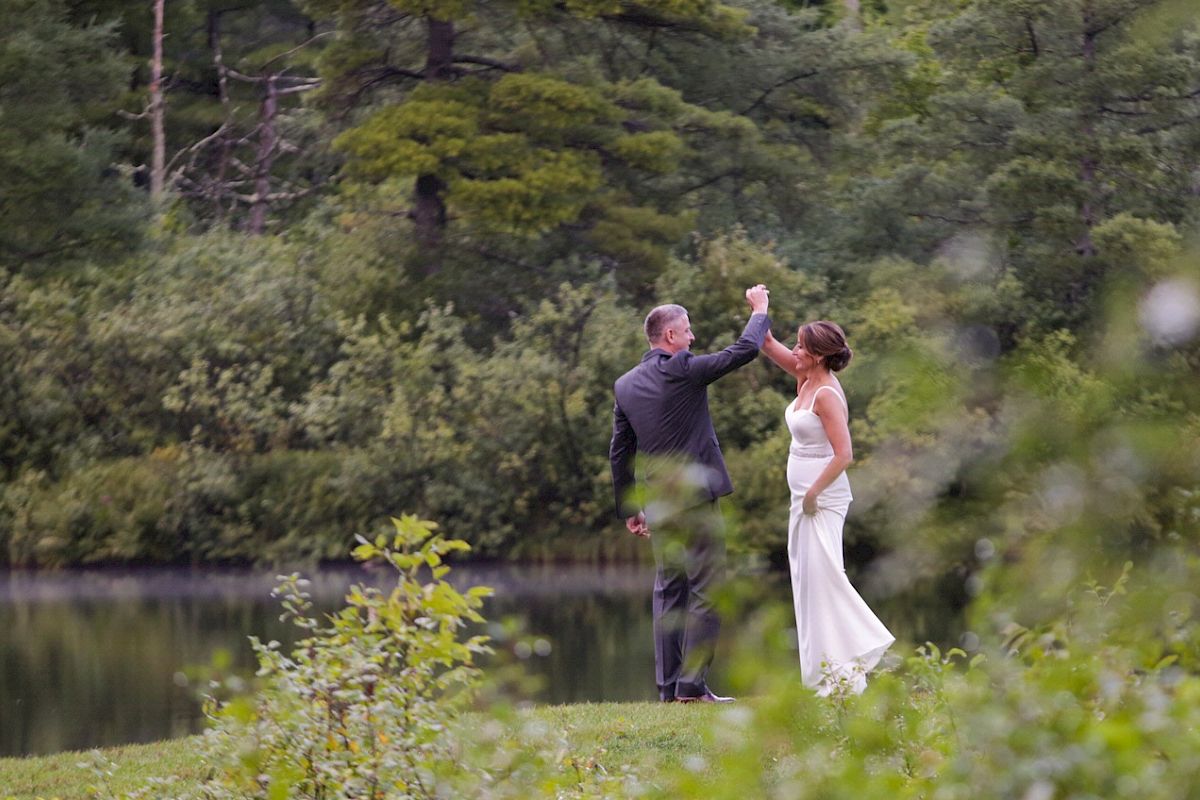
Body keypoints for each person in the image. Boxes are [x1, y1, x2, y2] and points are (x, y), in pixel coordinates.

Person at [609, 285, 772, 703]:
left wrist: (630, 506)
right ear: (670, 338)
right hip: (696, 500)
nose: (692, 338)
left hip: (659, 504)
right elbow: (742, 352)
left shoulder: (625, 385)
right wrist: (760, 310)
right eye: (687, 331)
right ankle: (691, 687)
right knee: (705, 588)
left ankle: (667, 691)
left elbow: (620, 450)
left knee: (669, 591)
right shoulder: (681, 367)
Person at [760, 320, 894, 695]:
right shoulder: (805, 380)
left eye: (801, 347)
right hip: (802, 501)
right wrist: (760, 310)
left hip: (821, 501)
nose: (795, 351)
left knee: (825, 579)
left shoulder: (827, 396)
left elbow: (844, 454)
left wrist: (812, 494)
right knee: (806, 583)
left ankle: (849, 668)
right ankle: (825, 676)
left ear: (818, 356)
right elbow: (767, 344)